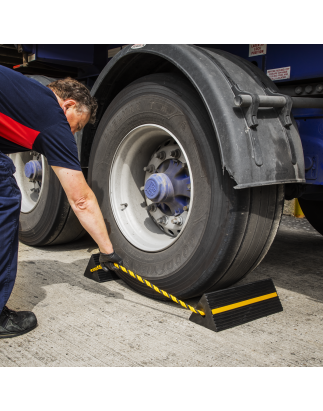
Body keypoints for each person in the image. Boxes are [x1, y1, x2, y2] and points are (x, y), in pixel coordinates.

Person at [0, 65, 123, 339]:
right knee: (5, 201)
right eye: (76, 125)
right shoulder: (51, 115)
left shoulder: (21, 93)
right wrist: (108, 251)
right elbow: (80, 199)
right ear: (68, 104)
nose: (71, 133)